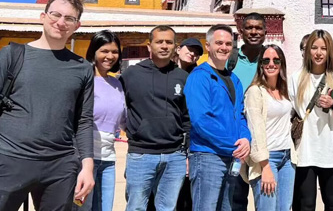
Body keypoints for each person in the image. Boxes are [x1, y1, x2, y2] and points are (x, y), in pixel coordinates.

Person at [0, 0, 95, 210]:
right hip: (9, 158)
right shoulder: (12, 55)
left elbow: (84, 120)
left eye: (69, 18)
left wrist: (87, 166)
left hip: (60, 165)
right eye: (56, 14)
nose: (61, 22)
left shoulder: (82, 68)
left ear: (77, 26)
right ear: (43, 16)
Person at [121, 25, 190, 211]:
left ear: (175, 47)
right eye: (159, 41)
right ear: (149, 46)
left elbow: (186, 117)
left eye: (169, 42)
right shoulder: (131, 75)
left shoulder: (182, 77)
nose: (164, 46)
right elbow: (118, 105)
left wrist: (187, 152)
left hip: (175, 155)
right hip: (141, 154)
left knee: (167, 208)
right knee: (136, 207)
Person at [184, 25, 251, 210]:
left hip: (231, 157)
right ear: (208, 46)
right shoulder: (200, 77)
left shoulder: (234, 80)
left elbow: (240, 115)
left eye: (228, 43)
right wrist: (233, 144)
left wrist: (246, 139)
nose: (224, 47)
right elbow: (201, 120)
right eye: (219, 43)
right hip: (208, 156)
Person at [289, 30, 333, 211]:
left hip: (331, 150)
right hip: (304, 151)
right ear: (307, 51)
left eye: (323, 48)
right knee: (305, 205)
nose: (319, 52)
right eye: (314, 48)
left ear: (330, 51)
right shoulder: (295, 79)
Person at [244, 45, 296, 211]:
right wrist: (265, 166)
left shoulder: (284, 92)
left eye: (276, 60)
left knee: (284, 208)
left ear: (282, 64)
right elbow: (255, 129)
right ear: (260, 64)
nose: (271, 64)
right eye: (266, 60)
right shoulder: (255, 92)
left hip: (288, 157)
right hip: (267, 158)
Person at [79, 30, 127, 211]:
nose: (110, 56)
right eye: (104, 51)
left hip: (108, 158)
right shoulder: (84, 80)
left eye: (114, 52)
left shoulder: (117, 83)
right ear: (94, 52)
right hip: (83, 159)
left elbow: (123, 120)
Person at [228, 12, 267, 208]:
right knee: (235, 196)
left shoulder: (271, 59)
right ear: (241, 31)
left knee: (265, 194)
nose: (253, 32)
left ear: (265, 31)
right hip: (236, 137)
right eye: (249, 28)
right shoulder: (231, 59)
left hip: (264, 136)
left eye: (258, 28)